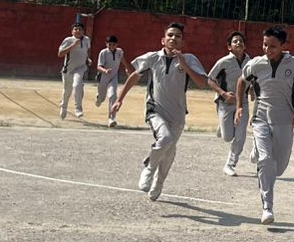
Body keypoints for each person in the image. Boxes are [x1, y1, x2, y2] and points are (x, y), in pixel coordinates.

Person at [111, 22, 217, 201]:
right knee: (165, 139)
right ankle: (149, 168)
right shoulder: (153, 58)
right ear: (163, 40)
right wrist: (120, 99)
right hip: (156, 110)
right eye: (170, 35)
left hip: (177, 114)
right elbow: (134, 75)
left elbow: (201, 83)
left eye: (178, 36)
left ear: (183, 42)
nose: (173, 38)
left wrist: (184, 64)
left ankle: (159, 182)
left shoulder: (189, 59)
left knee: (169, 150)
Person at [235, 25, 294, 227]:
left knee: (279, 168)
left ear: (283, 46)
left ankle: (258, 152)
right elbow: (242, 81)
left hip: (285, 120)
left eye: (272, 46)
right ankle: (267, 207)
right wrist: (239, 107)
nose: (267, 49)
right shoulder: (256, 64)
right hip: (260, 118)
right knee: (266, 160)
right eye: (265, 45)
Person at [208, 31, 252, 175]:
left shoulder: (250, 62)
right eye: (235, 41)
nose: (238, 43)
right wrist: (224, 94)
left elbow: (253, 79)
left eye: (241, 41)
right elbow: (210, 79)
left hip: (243, 103)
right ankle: (222, 128)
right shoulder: (224, 62)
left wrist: (252, 90)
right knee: (227, 137)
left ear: (245, 46)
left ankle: (230, 164)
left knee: (240, 136)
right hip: (225, 103)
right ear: (229, 47)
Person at [57, 22, 91, 120]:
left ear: (83, 31)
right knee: (67, 91)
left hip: (80, 68)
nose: (78, 31)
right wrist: (72, 45)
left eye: (80, 29)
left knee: (77, 85)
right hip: (68, 70)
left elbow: (85, 51)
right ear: (72, 31)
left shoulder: (86, 40)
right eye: (76, 29)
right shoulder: (68, 40)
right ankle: (64, 107)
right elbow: (60, 54)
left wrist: (87, 59)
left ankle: (78, 108)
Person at [94, 34, 129, 127]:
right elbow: (98, 67)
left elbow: (123, 60)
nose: (112, 46)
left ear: (117, 44)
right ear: (106, 44)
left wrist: (127, 68)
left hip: (113, 77)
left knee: (113, 96)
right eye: (109, 44)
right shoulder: (103, 53)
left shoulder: (119, 52)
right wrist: (105, 70)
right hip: (103, 77)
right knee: (102, 98)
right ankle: (99, 98)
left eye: (113, 45)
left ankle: (111, 118)